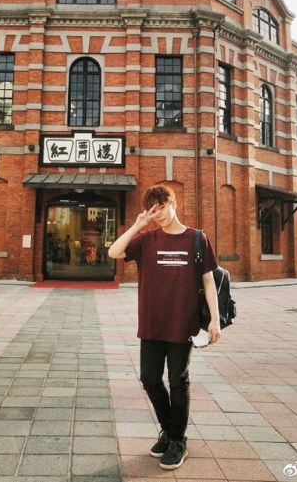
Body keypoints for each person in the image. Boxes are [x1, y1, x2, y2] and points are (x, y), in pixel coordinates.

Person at [108, 184, 221, 470]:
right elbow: (113, 252)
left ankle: (177, 440)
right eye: (152, 209)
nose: (157, 214)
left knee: (177, 381)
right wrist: (137, 226)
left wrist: (216, 320)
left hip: (183, 322)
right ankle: (170, 431)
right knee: (149, 379)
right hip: (152, 322)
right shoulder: (146, 239)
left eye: (162, 207)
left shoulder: (197, 238)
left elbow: (209, 281)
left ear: (174, 204)